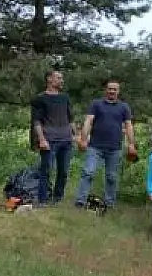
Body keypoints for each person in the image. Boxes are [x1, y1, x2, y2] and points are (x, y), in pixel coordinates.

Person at [75, 79, 136, 210]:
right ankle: (80, 200)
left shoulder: (124, 107)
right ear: (106, 90)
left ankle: (109, 203)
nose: (112, 91)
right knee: (88, 172)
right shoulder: (96, 104)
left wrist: (131, 144)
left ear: (118, 91)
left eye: (115, 89)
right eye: (110, 89)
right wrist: (83, 139)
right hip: (95, 146)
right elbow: (88, 121)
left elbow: (129, 126)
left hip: (114, 148)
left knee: (111, 177)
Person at [31, 69, 77, 205]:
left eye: (62, 78)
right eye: (58, 78)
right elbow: (37, 121)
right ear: (49, 79)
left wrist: (77, 136)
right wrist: (41, 139)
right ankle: (42, 200)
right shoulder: (40, 99)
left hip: (66, 140)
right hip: (49, 140)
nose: (61, 80)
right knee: (46, 171)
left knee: (63, 171)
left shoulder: (65, 98)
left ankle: (57, 198)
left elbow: (71, 119)